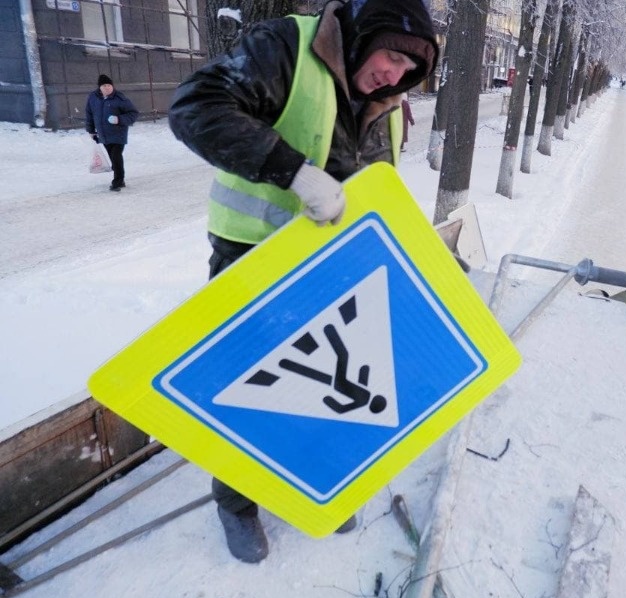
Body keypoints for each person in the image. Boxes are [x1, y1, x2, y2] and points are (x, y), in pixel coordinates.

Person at [168, 0, 438, 564]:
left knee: (331, 382)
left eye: (409, 71)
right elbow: (195, 106)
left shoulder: (386, 101)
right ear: (366, 34)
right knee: (247, 387)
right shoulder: (286, 47)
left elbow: (373, 188)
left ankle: (310, 480)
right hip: (251, 259)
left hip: (331, 269)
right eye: (392, 56)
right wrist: (289, 170)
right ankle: (237, 503)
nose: (395, 75)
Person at [85, 74, 139, 192]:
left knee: (116, 156)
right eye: (104, 85)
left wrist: (119, 119)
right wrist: (91, 130)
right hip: (103, 134)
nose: (108, 88)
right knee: (113, 158)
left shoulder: (120, 98)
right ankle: (120, 178)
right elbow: (89, 115)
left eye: (109, 85)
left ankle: (117, 182)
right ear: (100, 87)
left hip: (118, 133)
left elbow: (133, 113)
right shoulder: (93, 98)